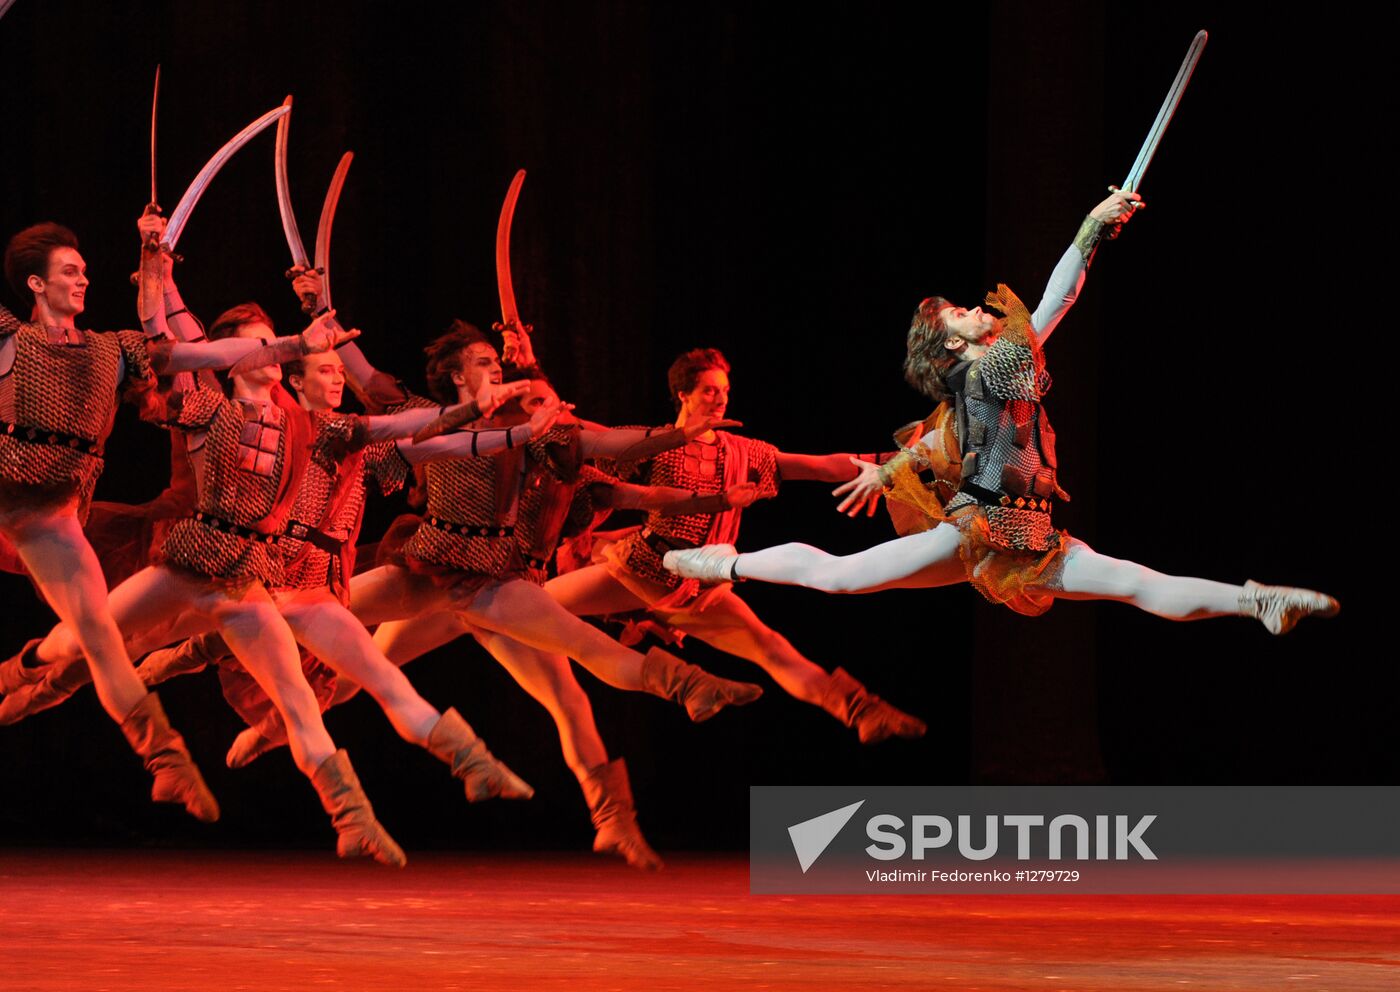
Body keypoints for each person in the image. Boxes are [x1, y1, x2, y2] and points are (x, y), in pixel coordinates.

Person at [664, 190, 1339, 635]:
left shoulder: (983, 379)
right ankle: (723, 563)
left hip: (1023, 529)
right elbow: (1055, 304)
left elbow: (939, 441)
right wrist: (1090, 229)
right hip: (989, 529)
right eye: (960, 311)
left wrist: (890, 467)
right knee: (840, 579)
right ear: (956, 342)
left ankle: (1256, 601)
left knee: (1134, 584)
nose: (974, 306)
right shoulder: (993, 366)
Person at [542, 347, 926, 743]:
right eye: (709, 390)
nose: (720, 397)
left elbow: (823, 465)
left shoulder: (747, 453)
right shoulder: (656, 443)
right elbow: (584, 435)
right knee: (539, 605)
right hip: (644, 568)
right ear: (684, 395)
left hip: (699, 583)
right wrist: (538, 392)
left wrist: (895, 460)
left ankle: (862, 711)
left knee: (770, 648)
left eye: (724, 389)